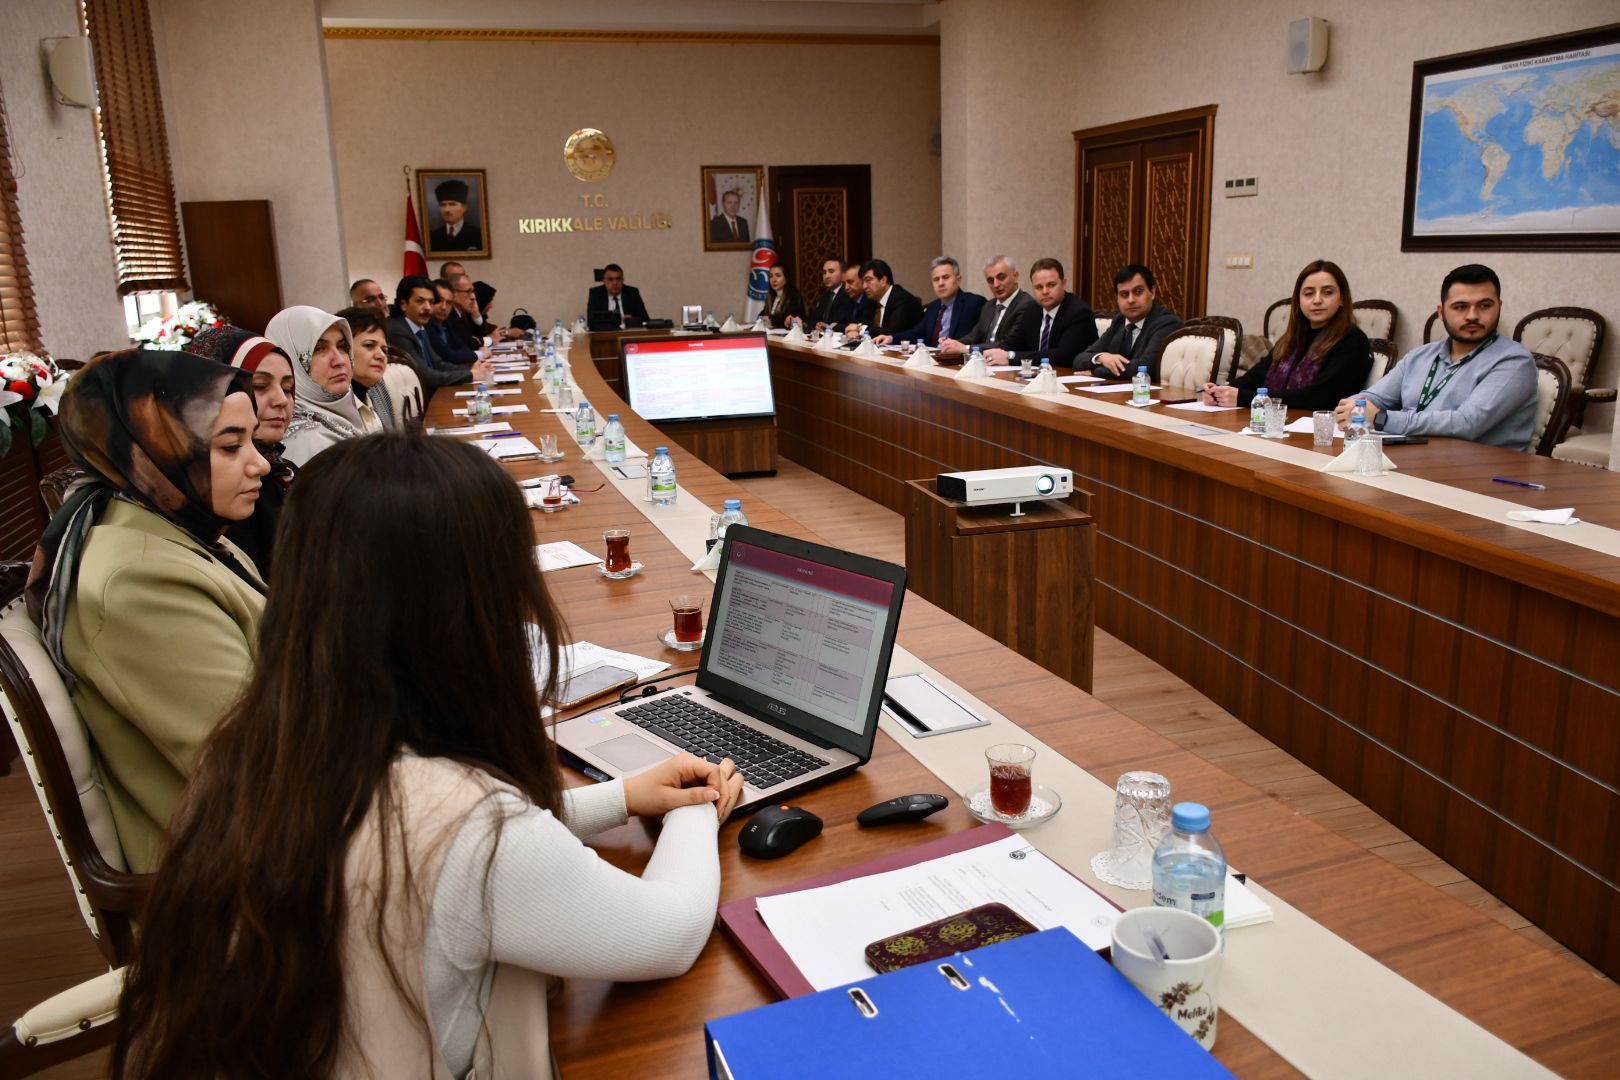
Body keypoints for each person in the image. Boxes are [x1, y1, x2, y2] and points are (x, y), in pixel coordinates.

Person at [110, 433, 744, 1078]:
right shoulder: (470, 827)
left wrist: (618, 798)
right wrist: (701, 807)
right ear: (468, 606)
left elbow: (441, 843)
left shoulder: (258, 743)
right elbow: (666, 933)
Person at [24, 349, 268, 874]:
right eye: (230, 446)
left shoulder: (175, 524)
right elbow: (261, 767)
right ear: (155, 448)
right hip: (242, 877)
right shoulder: (136, 582)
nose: (261, 463)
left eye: (253, 441)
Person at [1335, 264, 1536, 450]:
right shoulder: (1420, 356)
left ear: (1499, 307)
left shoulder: (1515, 361)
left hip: (1483, 473)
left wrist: (1382, 418)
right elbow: (1374, 397)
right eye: (1460, 307)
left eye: (1484, 306)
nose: (1472, 315)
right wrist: (1353, 407)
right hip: (1415, 460)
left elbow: (1467, 424)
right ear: (1441, 312)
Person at [189, 326, 299, 577]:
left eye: (288, 387)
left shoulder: (287, 471)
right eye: (260, 385)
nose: (281, 399)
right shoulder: (220, 488)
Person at [1200, 260, 1370, 410]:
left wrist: (1241, 397)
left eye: (1327, 292)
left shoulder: (1353, 341)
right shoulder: (1293, 338)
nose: (1317, 300)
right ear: (1298, 300)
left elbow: (1317, 397)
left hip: (1319, 432)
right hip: (1277, 421)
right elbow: (1256, 377)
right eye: (1309, 293)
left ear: (1342, 298)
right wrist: (1221, 390)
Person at [269, 306, 371, 465]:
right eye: (319, 349)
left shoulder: (355, 412)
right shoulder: (308, 442)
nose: (339, 361)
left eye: (342, 347)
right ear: (291, 360)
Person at [386, 276, 492, 400]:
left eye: (431, 302)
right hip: (420, 403)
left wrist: (472, 369)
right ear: (403, 304)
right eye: (420, 301)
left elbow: (438, 363)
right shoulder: (398, 331)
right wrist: (470, 375)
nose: (427, 307)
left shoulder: (419, 325)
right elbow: (425, 375)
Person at [986, 258, 1097, 367]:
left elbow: (1062, 356)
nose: (1045, 292)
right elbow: (1012, 343)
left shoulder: (1078, 312)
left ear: (1063, 284)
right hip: (1037, 375)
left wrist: (1011, 356)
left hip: (1069, 376)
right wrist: (990, 354)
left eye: (1051, 285)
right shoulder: (1032, 309)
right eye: (1039, 287)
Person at [1079, 264, 1183, 380]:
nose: (1131, 300)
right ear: (1117, 298)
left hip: (1149, 395)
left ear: (1152, 292)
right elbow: (1079, 359)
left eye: (1138, 292)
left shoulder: (1166, 322)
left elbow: (1145, 368)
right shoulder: (1119, 321)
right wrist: (1101, 358)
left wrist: (1095, 371)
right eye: (1124, 294)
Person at [875, 256, 987, 348]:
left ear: (958, 280)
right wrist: (891, 338)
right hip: (932, 361)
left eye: (946, 277)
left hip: (957, 362)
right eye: (936, 279)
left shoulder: (974, 303)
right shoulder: (933, 307)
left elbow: (977, 337)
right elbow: (916, 332)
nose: (941, 283)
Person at [938, 255, 1035, 358]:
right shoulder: (989, 305)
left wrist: (966, 348)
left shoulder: (1027, 305)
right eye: (990, 280)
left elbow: (1008, 344)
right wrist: (952, 344)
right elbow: (973, 337)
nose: (996, 284)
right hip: (983, 362)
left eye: (1001, 277)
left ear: (1015, 277)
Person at [337, 306, 399, 431]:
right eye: (369, 345)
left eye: (384, 350)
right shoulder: (333, 405)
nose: (381, 356)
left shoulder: (378, 388)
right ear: (342, 348)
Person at [843, 260, 924, 338]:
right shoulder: (872, 301)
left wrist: (859, 328)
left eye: (868, 280)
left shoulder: (902, 299)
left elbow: (891, 332)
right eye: (863, 282)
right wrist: (854, 331)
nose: (864, 286)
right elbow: (861, 324)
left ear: (883, 280)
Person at [446, 273, 497, 357]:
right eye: (468, 292)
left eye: (473, 291)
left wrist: (476, 313)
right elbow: (467, 345)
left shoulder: (461, 314)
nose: (473, 297)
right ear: (453, 294)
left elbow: (474, 339)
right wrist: (477, 343)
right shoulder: (448, 315)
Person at [587, 264, 650, 329]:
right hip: (606, 335)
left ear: (623, 280)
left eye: (618, 279)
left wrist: (632, 320)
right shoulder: (596, 294)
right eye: (610, 279)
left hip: (628, 335)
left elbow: (646, 320)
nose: (615, 283)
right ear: (604, 281)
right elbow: (591, 323)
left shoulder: (632, 293)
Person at [429, 178, 483, 253]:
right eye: (443, 205)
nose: (446, 209)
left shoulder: (478, 235)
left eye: (452, 204)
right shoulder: (432, 237)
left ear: (464, 208)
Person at [811, 258, 853, 330]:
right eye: (824, 272)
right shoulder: (825, 296)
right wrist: (802, 322)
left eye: (831, 271)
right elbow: (815, 318)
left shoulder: (849, 293)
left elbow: (843, 322)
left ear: (843, 274)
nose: (826, 276)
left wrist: (827, 326)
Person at [763, 265, 806, 329]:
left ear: (786, 277)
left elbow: (786, 318)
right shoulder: (771, 296)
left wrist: (769, 318)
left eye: (778, 276)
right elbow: (763, 314)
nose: (774, 280)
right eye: (771, 276)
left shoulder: (794, 296)